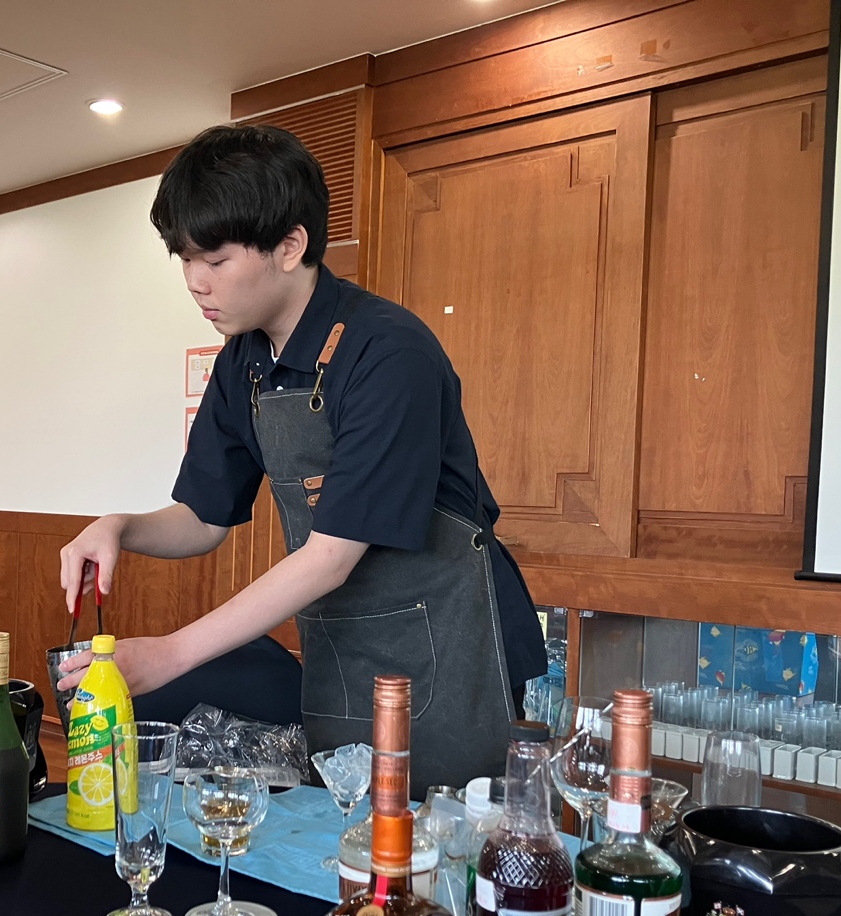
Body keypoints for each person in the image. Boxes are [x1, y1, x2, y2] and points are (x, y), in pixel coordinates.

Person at [58, 124, 545, 791]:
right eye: (185, 260)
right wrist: (120, 527)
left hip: (455, 651)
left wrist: (170, 654)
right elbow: (203, 518)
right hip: (343, 649)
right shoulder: (245, 360)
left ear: (290, 246)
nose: (195, 282)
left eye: (215, 259)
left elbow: (330, 556)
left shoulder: (388, 353)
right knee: (342, 832)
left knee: (441, 841)